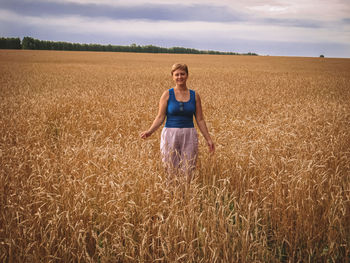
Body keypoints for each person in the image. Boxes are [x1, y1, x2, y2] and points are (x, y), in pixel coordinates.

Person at [140, 63, 215, 178]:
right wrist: (149, 131)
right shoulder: (167, 94)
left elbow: (200, 119)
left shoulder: (195, 96)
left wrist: (208, 139)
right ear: (173, 77)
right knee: (170, 167)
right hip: (170, 134)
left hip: (189, 135)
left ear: (187, 75)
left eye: (182, 74)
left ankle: (186, 194)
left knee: (188, 168)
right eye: (177, 75)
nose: (180, 77)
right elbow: (160, 117)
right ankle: (171, 195)